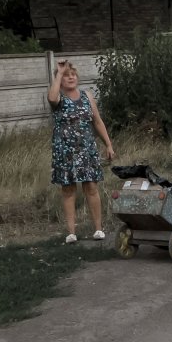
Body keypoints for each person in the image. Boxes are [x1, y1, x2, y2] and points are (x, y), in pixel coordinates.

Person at [47, 60, 116, 243]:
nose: (70, 77)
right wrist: (59, 73)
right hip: (65, 150)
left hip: (86, 148)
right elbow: (52, 98)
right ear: (60, 80)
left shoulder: (87, 96)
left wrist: (108, 144)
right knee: (68, 189)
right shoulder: (59, 97)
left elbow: (97, 121)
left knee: (91, 187)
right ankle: (71, 232)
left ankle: (98, 229)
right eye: (66, 75)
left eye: (73, 74)